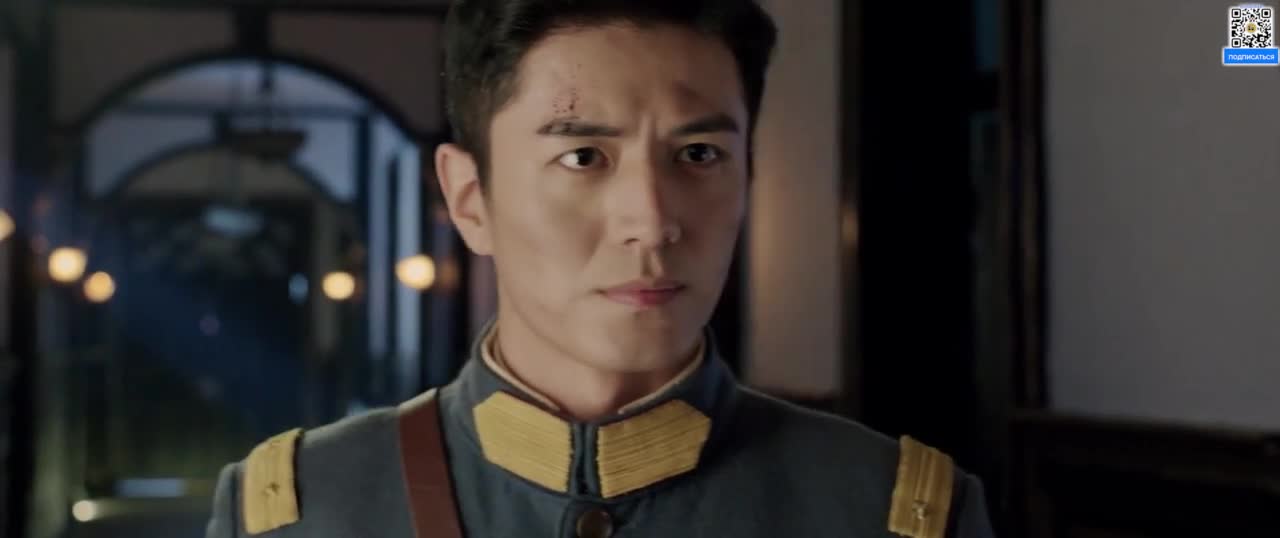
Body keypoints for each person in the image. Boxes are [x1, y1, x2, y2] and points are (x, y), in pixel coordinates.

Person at [205, 1, 997, 537]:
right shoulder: (305, 509)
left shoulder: (887, 510)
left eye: (699, 154)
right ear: (471, 199)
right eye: (584, 156)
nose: (651, 219)